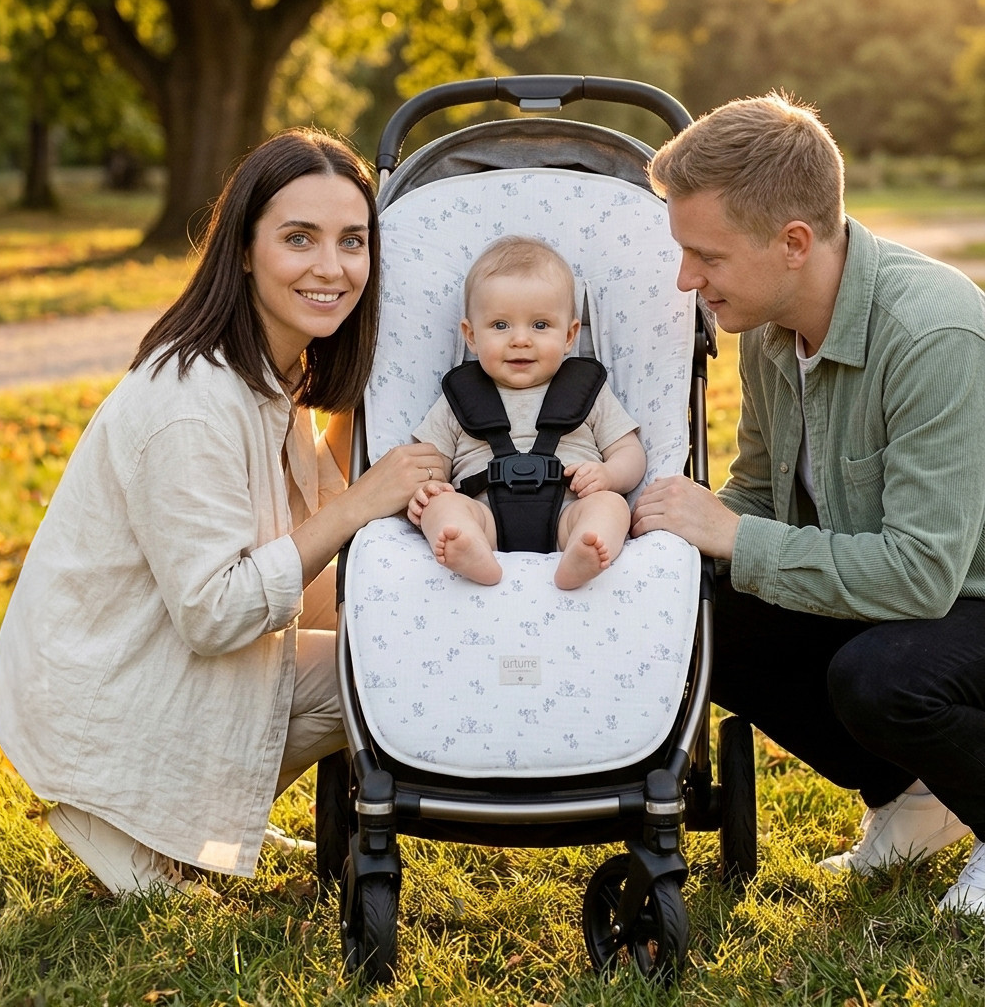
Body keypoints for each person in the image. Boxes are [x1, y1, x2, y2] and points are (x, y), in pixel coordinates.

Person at [0, 128, 444, 898]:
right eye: (299, 238)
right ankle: (140, 828)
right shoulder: (192, 401)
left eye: (352, 241)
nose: (332, 267)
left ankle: (206, 810)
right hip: (117, 697)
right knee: (368, 666)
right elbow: (217, 614)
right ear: (242, 249)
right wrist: (367, 501)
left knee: (379, 635)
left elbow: (311, 555)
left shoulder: (272, 372)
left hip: (164, 668)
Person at [630, 91, 985, 916]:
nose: (687, 279)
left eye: (706, 256)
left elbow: (924, 578)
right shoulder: (765, 331)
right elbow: (756, 494)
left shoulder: (935, 335)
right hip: (904, 598)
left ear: (793, 243)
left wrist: (733, 536)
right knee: (696, 604)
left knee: (882, 678)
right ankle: (915, 800)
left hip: (962, 598)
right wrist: (670, 542)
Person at [408, 236, 646, 591]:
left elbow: (630, 453)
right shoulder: (459, 398)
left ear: (569, 336)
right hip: (484, 516)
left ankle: (586, 549)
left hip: (569, 512)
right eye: (501, 326)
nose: (521, 340)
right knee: (443, 507)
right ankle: (468, 548)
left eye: (540, 325)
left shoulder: (588, 392)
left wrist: (609, 476)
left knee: (611, 506)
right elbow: (428, 463)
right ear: (471, 336)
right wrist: (427, 490)